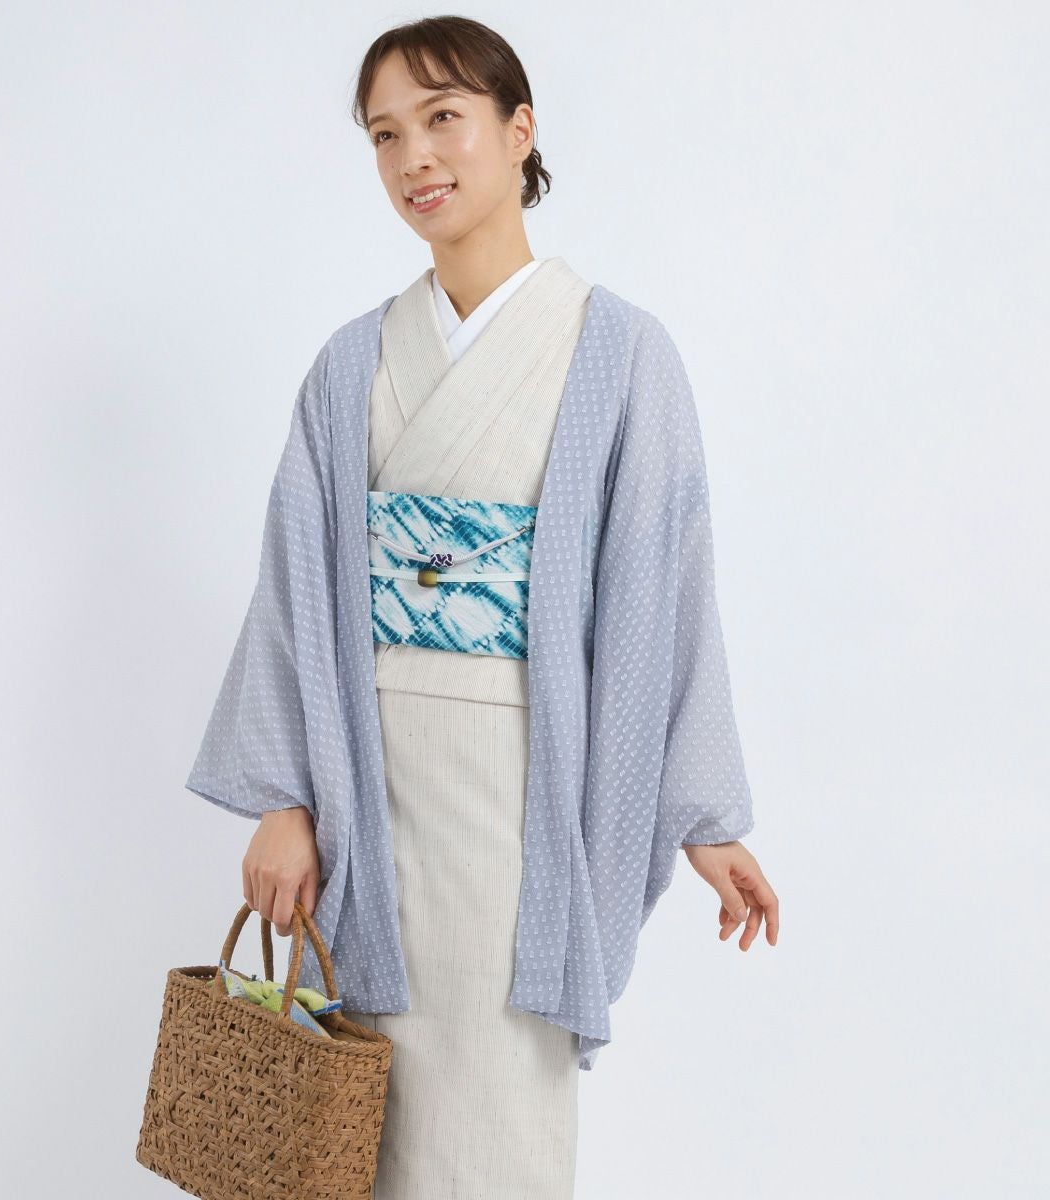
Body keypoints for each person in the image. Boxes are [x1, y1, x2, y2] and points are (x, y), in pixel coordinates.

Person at [185, 15, 779, 1199]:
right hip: (368, 800)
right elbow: (294, 589)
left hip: (522, 810)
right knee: (352, 1139)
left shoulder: (621, 356)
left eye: (442, 118)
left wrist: (701, 815)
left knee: (500, 1136)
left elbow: (666, 587)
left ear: (519, 131)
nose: (414, 156)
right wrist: (286, 802)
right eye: (384, 134)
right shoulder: (350, 365)